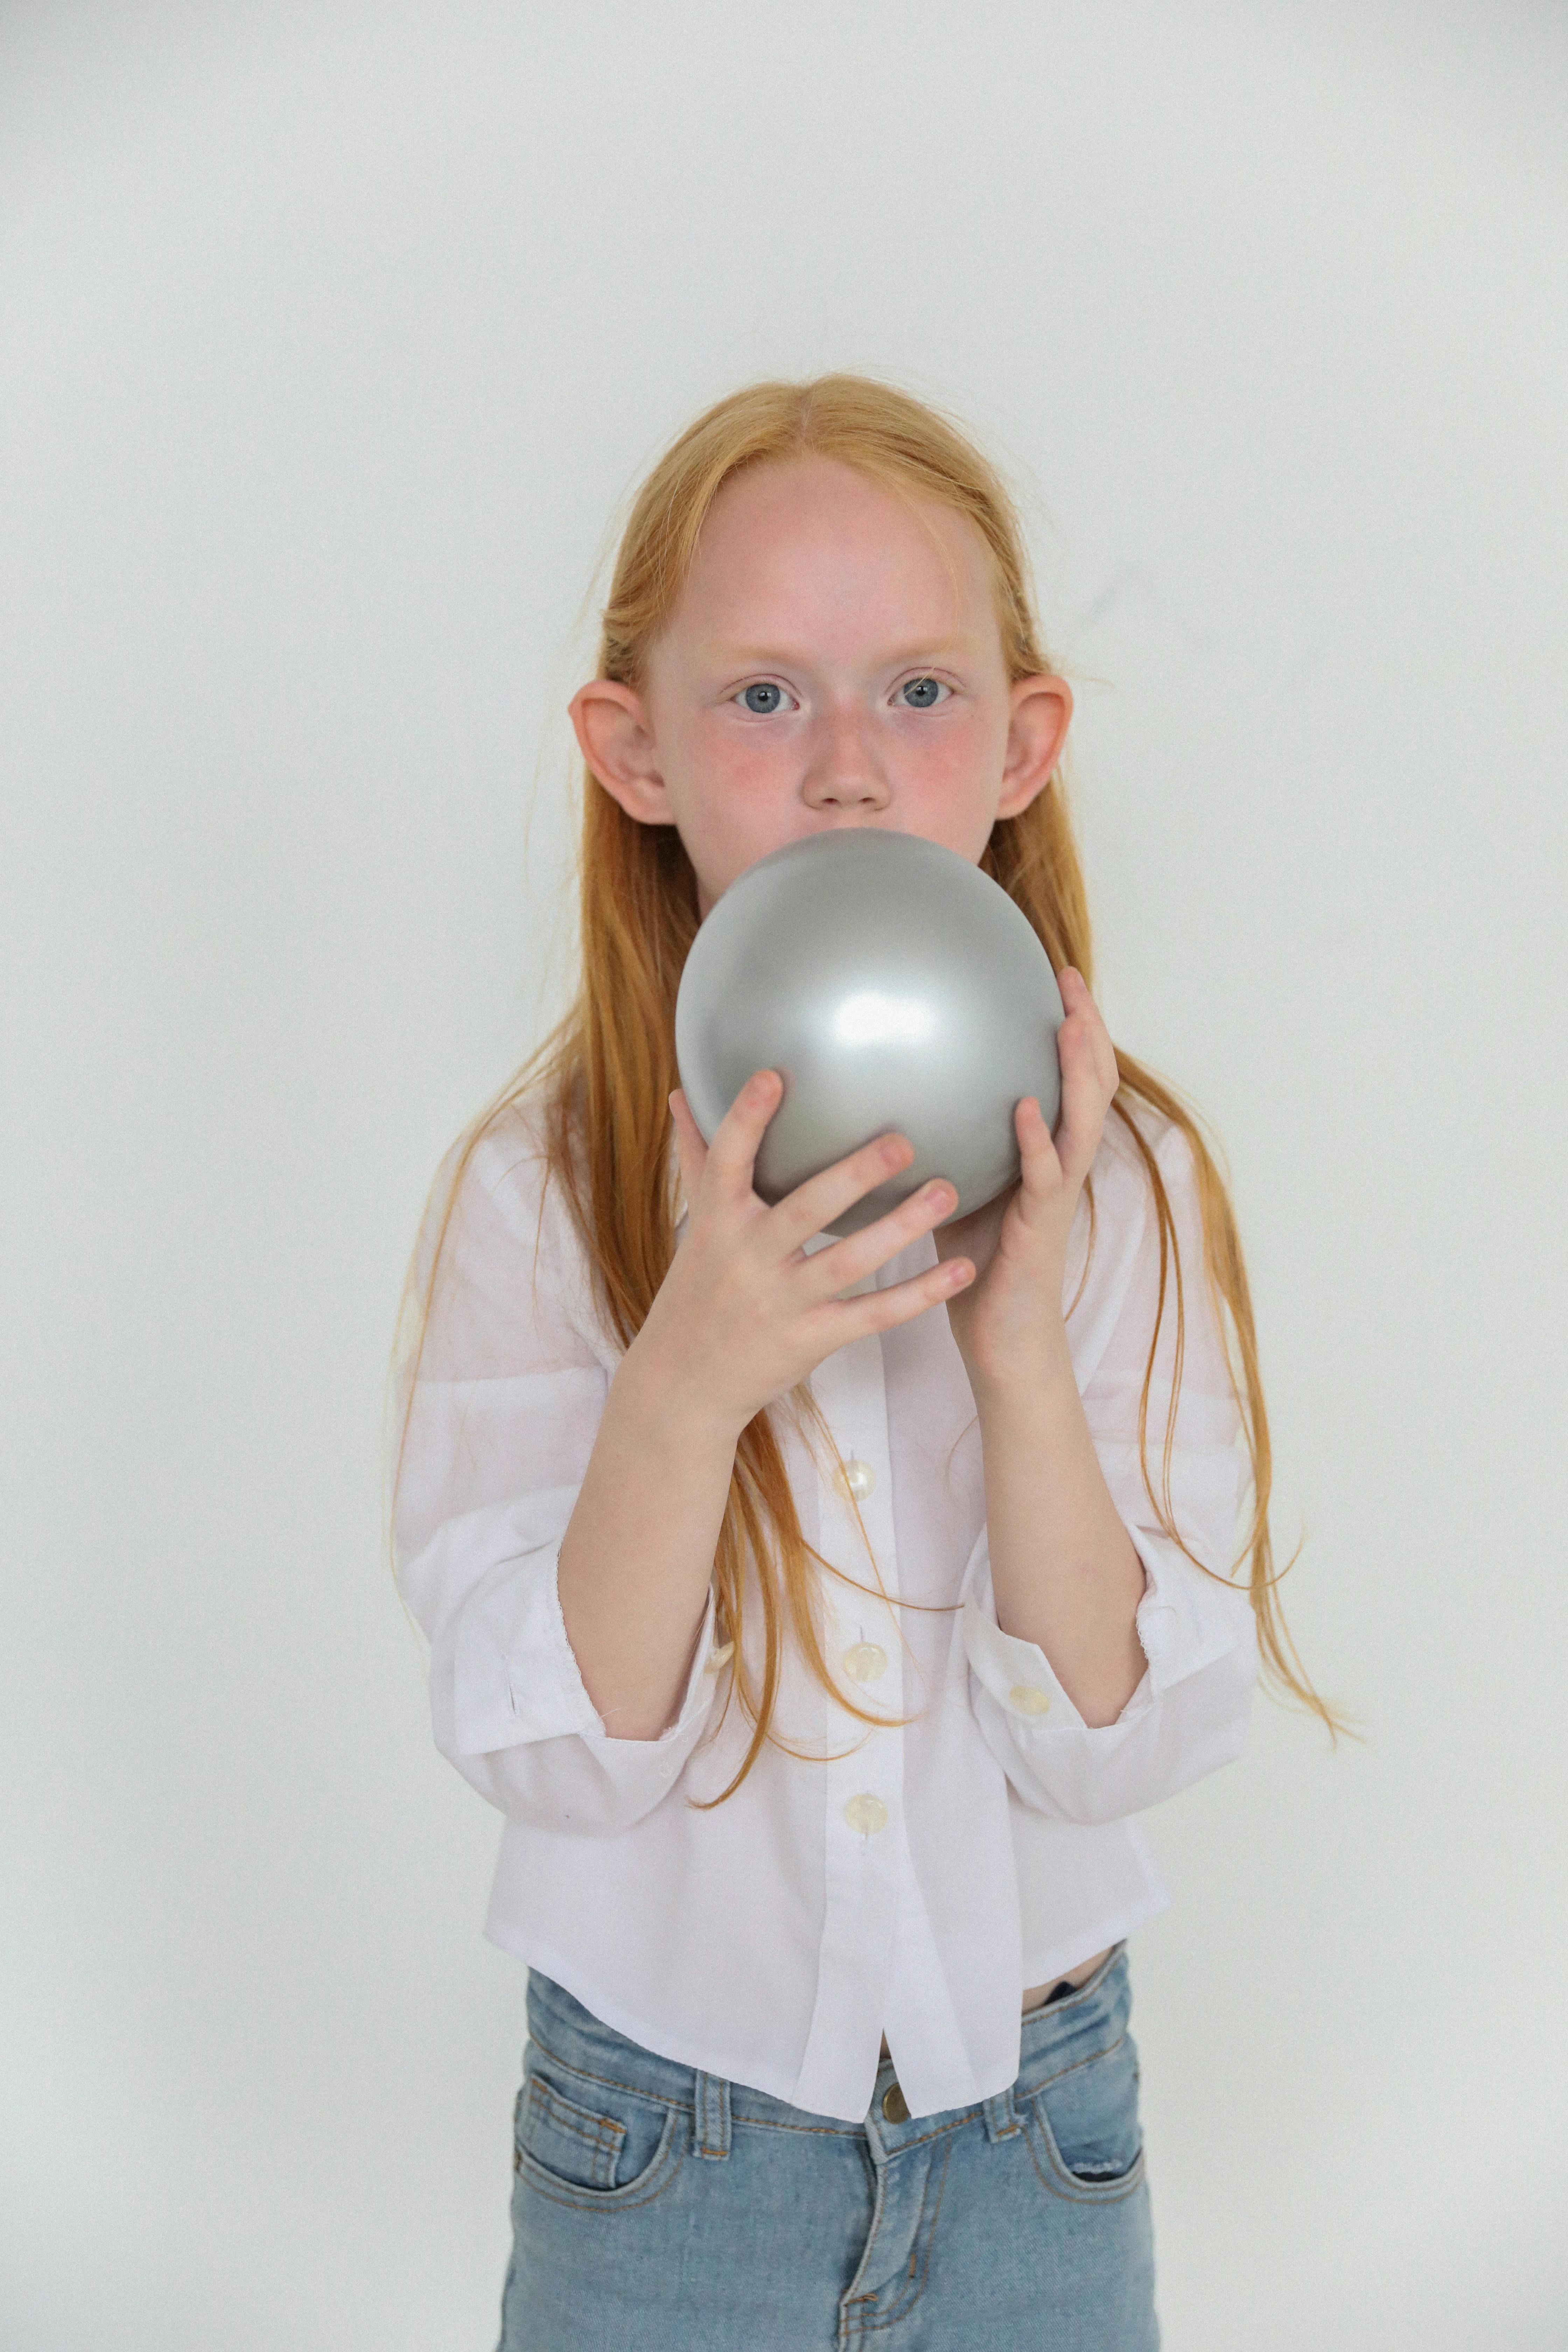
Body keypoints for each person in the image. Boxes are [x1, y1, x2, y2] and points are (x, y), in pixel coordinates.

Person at [389, 374, 1343, 2351]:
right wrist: (683, 1382)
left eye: (918, 692)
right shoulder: (534, 1191)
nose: (847, 771)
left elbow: (1128, 1743)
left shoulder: (1127, 1186)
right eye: (762, 698)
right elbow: (550, 1756)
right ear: (631, 750)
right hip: (657, 2138)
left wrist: (1016, 1361)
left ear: (1023, 742)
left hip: (1042, 2136)